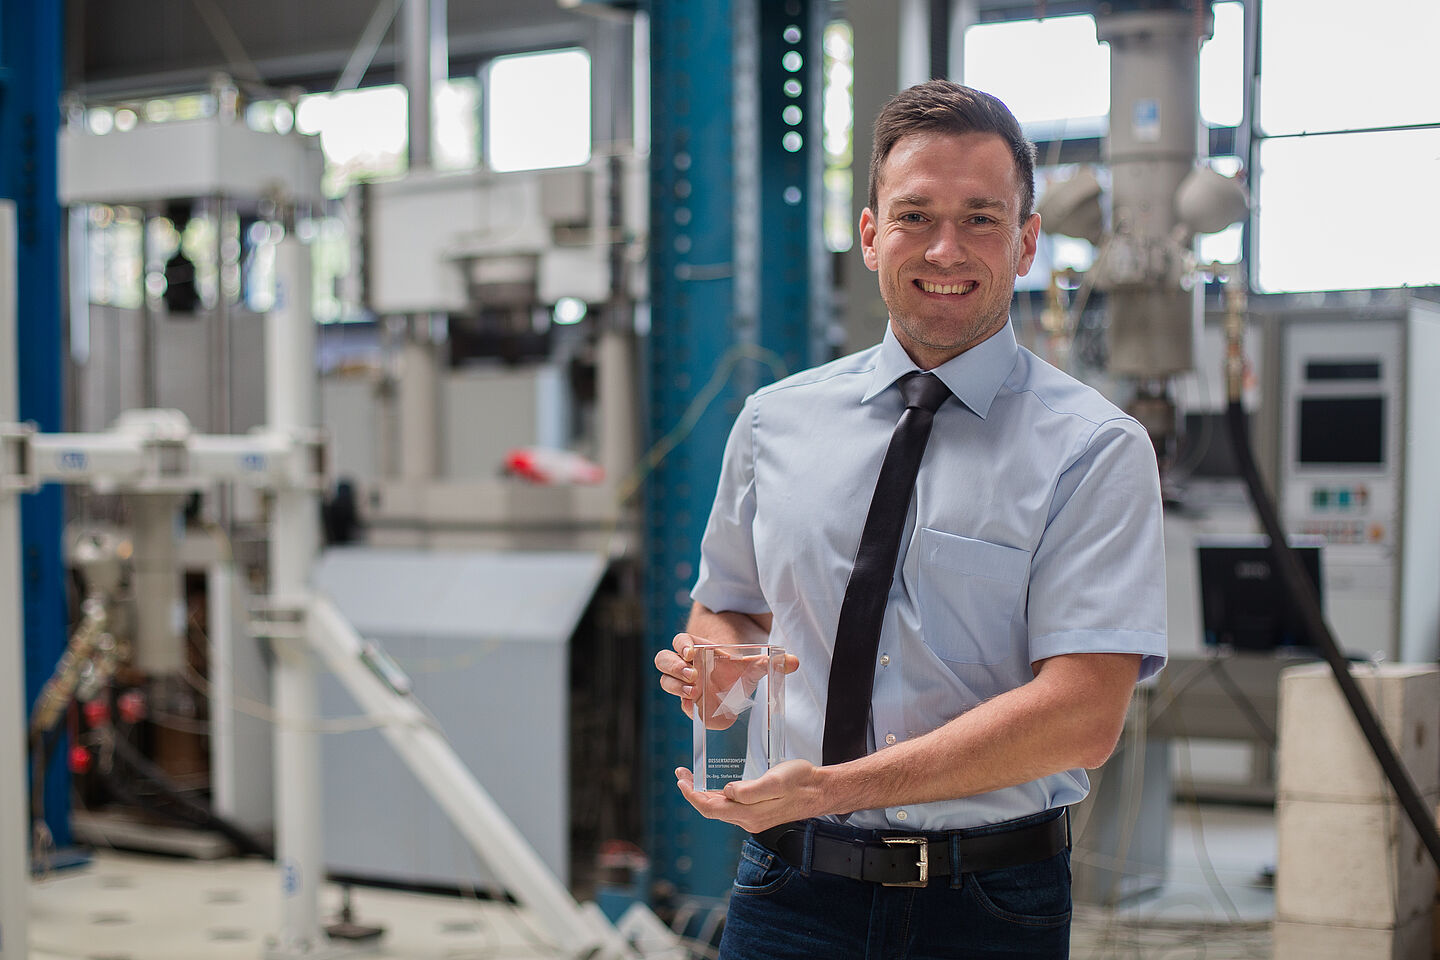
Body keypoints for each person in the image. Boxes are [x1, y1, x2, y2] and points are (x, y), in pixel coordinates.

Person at [654, 79, 1167, 959]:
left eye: (981, 218)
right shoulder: (775, 422)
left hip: (986, 904)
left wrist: (834, 787)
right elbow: (730, 604)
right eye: (914, 215)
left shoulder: (1094, 449)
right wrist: (718, 668)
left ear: (1027, 242)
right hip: (787, 892)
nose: (944, 248)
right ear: (869, 234)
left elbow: (1082, 714)